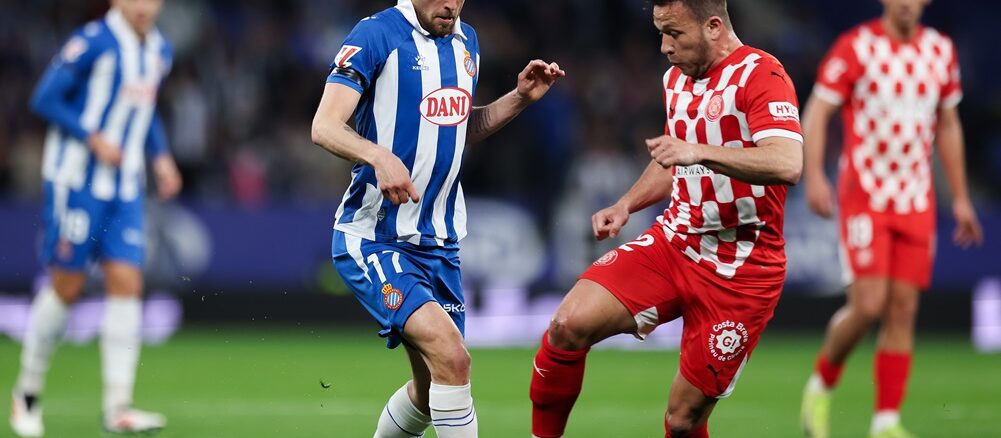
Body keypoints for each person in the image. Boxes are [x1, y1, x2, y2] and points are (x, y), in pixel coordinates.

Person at [528, 0, 803, 437]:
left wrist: (699, 153)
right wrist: (626, 204)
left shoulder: (762, 75)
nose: (663, 46)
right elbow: (674, 159)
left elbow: (788, 162)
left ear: (713, 26)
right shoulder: (675, 78)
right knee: (567, 325)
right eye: (660, 32)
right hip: (674, 243)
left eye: (674, 33)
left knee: (682, 420)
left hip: (741, 268)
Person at [310, 1, 564, 436]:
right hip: (376, 236)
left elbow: (460, 127)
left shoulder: (468, 41)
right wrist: (378, 155)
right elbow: (324, 125)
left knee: (430, 391)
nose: (453, 4)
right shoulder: (375, 35)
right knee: (454, 357)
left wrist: (519, 99)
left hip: (439, 243)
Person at [798, 0, 984, 436]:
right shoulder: (856, 47)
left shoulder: (940, 52)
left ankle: (885, 421)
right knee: (867, 306)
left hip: (917, 200)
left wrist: (959, 197)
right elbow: (818, 110)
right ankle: (821, 383)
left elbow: (949, 123)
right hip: (865, 196)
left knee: (902, 309)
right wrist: (815, 178)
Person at [8, 0, 181, 436]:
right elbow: (44, 97)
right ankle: (26, 394)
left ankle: (118, 407)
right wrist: (93, 137)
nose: (144, 6)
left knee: (128, 284)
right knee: (67, 285)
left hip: (124, 188)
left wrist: (160, 157)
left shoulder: (159, 49)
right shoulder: (93, 42)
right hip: (76, 180)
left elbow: (146, 110)